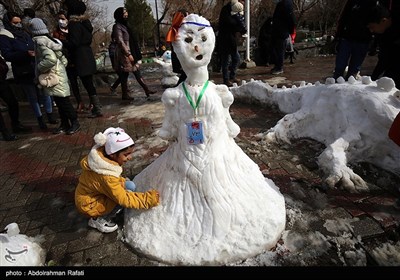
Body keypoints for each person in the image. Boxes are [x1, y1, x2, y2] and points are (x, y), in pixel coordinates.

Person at [123, 13, 285, 265]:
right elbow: (171, 127)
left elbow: (227, 122)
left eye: (201, 39)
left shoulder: (218, 92)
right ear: (178, 48)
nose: (195, 46)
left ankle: (225, 224)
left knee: (224, 187)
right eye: (188, 40)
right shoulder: (176, 94)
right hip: (184, 154)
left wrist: (230, 123)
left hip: (218, 153)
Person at [74, 127, 160, 233]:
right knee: (123, 196)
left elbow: (106, 183)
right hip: (90, 205)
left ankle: (103, 211)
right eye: (126, 154)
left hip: (92, 195)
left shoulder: (101, 160)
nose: (130, 157)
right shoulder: (107, 176)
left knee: (129, 185)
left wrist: (121, 182)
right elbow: (122, 198)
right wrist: (147, 199)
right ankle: (98, 220)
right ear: (112, 154)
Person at [0, 11, 57, 130]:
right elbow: (7, 54)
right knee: (32, 97)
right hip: (22, 70)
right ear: (9, 23)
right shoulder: (4, 36)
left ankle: (50, 114)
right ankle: (40, 119)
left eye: (20, 22)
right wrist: (25, 54)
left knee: (44, 92)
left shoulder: (25, 33)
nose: (18, 25)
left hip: (35, 67)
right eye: (15, 23)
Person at [30, 18, 81, 135]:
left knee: (63, 102)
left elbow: (51, 59)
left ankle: (74, 122)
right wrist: (61, 67)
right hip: (58, 75)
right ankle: (64, 124)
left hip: (53, 77)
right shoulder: (50, 41)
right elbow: (61, 58)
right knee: (60, 101)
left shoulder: (40, 42)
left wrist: (39, 67)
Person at [63, 0, 102, 118]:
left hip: (80, 57)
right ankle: (96, 107)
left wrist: (62, 42)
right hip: (87, 55)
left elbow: (74, 42)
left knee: (88, 84)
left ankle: (97, 108)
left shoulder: (74, 24)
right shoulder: (85, 23)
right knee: (90, 84)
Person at [110, 7, 156, 100]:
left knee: (135, 72)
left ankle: (146, 89)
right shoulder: (117, 26)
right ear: (119, 15)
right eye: (124, 13)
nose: (126, 15)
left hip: (131, 52)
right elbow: (120, 41)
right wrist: (128, 54)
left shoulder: (126, 25)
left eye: (126, 13)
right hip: (124, 54)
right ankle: (125, 94)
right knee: (125, 74)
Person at [333, 0, 377, 80]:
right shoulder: (352, 2)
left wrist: (375, 42)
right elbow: (343, 18)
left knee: (353, 71)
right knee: (339, 67)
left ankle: (348, 90)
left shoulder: (375, 3)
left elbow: (377, 23)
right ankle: (334, 87)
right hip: (347, 38)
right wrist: (337, 37)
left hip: (363, 41)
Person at [52, 10, 86, 113]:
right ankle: (79, 102)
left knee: (85, 81)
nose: (61, 21)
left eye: (63, 18)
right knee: (73, 83)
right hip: (65, 60)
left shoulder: (73, 29)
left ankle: (91, 102)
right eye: (59, 19)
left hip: (77, 58)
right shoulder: (56, 32)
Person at [366, 3, 400, 88]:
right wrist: (372, 80)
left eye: (372, 27)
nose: (371, 31)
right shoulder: (382, 33)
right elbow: (384, 59)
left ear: (383, 21)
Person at [217, 0, 247, 87]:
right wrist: (237, 21)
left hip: (231, 39)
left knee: (236, 58)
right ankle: (226, 79)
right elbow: (229, 22)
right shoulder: (226, 10)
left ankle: (232, 76)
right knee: (226, 60)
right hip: (225, 39)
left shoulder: (234, 12)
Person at [270, 0, 296, 75]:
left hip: (282, 31)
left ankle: (279, 67)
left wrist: (290, 30)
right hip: (278, 30)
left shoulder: (286, 4)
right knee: (275, 49)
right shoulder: (282, 4)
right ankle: (277, 65)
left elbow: (291, 18)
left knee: (280, 50)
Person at [166, 9, 189, 86]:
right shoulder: (176, 29)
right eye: (185, 16)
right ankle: (178, 88)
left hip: (182, 57)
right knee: (186, 73)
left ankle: (180, 88)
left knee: (186, 74)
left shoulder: (181, 29)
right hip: (179, 57)